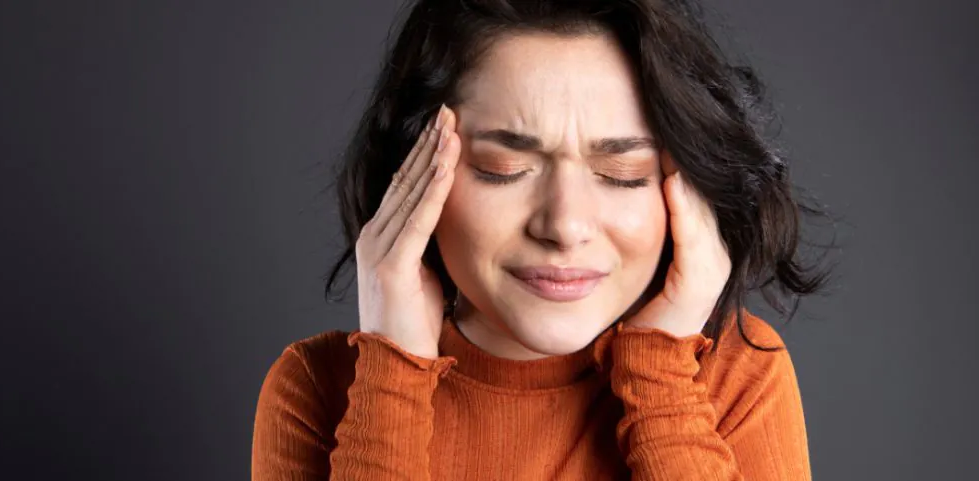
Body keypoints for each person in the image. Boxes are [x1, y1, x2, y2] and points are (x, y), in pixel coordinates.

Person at [252, 0, 831, 479]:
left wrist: (660, 380)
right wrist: (391, 379)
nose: (564, 226)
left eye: (621, 175)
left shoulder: (736, 376)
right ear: (412, 170)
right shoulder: (320, 387)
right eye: (504, 168)